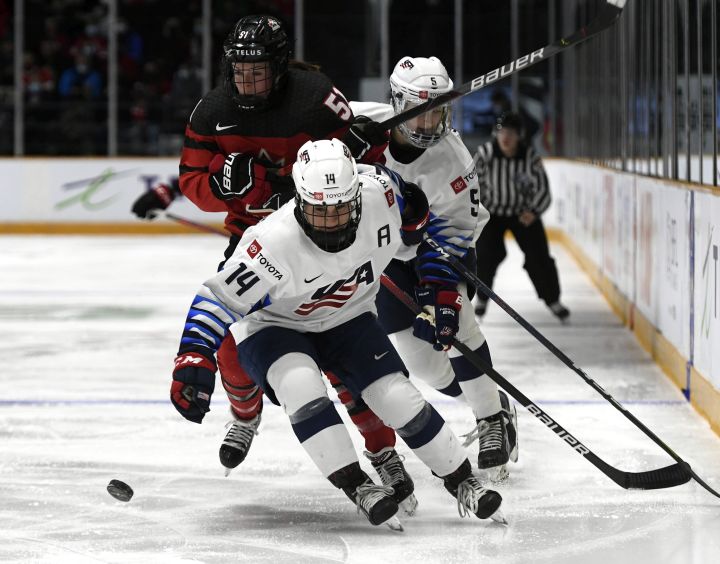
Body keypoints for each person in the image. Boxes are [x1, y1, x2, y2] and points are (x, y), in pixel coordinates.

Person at [130, 14, 414, 505]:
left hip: (330, 241)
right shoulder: (210, 111)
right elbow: (195, 183)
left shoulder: (317, 96)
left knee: (341, 353)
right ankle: (245, 413)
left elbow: (364, 168)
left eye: (258, 70)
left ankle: (382, 448)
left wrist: (369, 144)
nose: (248, 80)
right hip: (259, 247)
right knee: (233, 349)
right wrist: (224, 185)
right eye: (240, 70)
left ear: (280, 67)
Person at [169, 139, 504, 527]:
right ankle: (357, 484)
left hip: (349, 316)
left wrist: (436, 283)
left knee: (396, 396)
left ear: (358, 197)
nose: (331, 221)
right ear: (298, 200)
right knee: (301, 387)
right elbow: (216, 299)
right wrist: (193, 354)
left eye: (341, 209)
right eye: (318, 210)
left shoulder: (383, 195)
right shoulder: (272, 243)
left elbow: (420, 224)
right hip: (275, 327)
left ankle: (463, 480)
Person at [347, 56, 518, 479]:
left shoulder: (453, 162)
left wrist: (440, 297)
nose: (428, 126)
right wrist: (339, 138)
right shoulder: (363, 122)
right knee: (423, 364)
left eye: (437, 113)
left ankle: (491, 420)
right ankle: (495, 400)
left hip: (439, 253)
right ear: (396, 103)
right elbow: (309, 129)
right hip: (386, 258)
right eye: (419, 115)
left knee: (456, 322)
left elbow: (454, 238)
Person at [473, 111, 570, 322]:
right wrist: (478, 210)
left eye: (511, 133)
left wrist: (534, 211)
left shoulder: (530, 157)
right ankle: (481, 297)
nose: (505, 138)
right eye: (502, 132)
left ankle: (553, 300)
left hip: (522, 214)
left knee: (539, 258)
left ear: (520, 136)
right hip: (491, 214)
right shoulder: (485, 153)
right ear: (495, 133)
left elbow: (543, 189)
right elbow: (472, 186)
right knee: (485, 256)